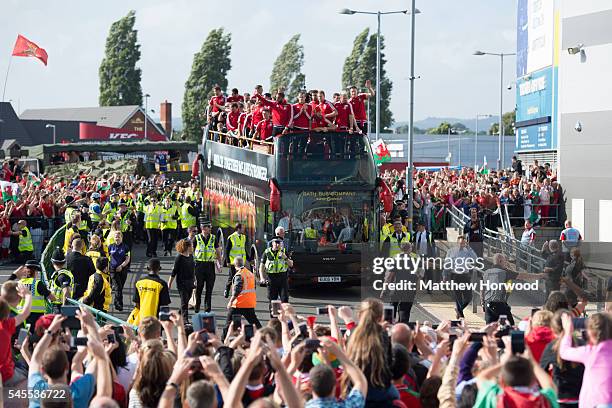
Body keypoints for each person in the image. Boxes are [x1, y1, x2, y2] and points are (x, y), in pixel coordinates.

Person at [559, 312, 612, 407]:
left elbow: (564, 352)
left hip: (593, 402)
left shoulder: (591, 352)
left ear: (590, 333)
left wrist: (568, 332)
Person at [0, 283, 32, 393]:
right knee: (30, 380)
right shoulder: (6, 324)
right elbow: (25, 313)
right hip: (7, 372)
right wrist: (28, 295)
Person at [9, 261, 56, 329]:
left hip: (21, 314)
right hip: (36, 316)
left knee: (23, 334)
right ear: (35, 271)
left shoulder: (19, 283)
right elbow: (52, 298)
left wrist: (13, 276)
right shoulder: (38, 283)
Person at [444, 236, 478, 318]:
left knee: (469, 296)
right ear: (457, 242)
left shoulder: (468, 251)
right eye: (460, 243)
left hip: (465, 275)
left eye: (463, 243)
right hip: (455, 275)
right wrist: (444, 275)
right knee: (458, 296)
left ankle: (459, 310)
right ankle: (461, 316)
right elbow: (447, 264)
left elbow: (475, 259)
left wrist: (469, 249)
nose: (461, 244)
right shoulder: (451, 251)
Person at [132, 258, 171, 326]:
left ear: (147, 268)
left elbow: (136, 303)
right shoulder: (162, 284)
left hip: (142, 320)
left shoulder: (139, 282)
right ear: (160, 268)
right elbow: (164, 305)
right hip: (156, 321)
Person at [226, 256, 262, 329]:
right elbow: (253, 287)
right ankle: (264, 336)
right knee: (255, 323)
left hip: (238, 304)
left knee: (229, 324)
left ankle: (224, 339)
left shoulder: (239, 275)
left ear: (235, 265)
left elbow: (237, 290)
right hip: (249, 303)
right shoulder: (250, 274)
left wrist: (230, 302)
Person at [193, 220, 221, 313]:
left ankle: (207, 309)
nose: (210, 229)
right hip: (199, 265)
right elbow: (191, 251)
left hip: (210, 265)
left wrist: (219, 264)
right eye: (209, 227)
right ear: (203, 228)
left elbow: (217, 252)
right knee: (199, 288)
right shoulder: (196, 238)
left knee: (209, 288)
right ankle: (197, 306)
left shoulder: (213, 238)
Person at [259, 237, 293, 308]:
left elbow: (291, 264)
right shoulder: (267, 252)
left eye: (279, 243)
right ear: (272, 243)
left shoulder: (284, 251)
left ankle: (284, 317)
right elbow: (261, 266)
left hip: (282, 278)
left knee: (285, 300)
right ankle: (274, 318)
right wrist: (262, 278)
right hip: (271, 278)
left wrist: (285, 257)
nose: (277, 245)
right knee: (272, 300)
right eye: (276, 243)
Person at [168, 239, 195, 323]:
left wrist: (195, 280)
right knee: (184, 301)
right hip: (182, 283)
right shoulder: (179, 258)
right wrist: (169, 284)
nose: (192, 247)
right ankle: (185, 320)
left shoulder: (191, 256)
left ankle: (178, 314)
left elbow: (193, 270)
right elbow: (174, 272)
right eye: (191, 245)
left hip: (190, 282)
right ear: (187, 247)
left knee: (187, 300)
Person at [224, 223, 249, 298]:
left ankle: (237, 293)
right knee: (231, 277)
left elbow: (244, 249)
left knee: (241, 278)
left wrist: (249, 259)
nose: (244, 229)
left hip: (241, 263)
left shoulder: (244, 237)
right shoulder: (231, 237)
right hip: (233, 262)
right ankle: (227, 289)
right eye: (242, 228)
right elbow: (227, 250)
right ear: (238, 229)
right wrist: (227, 261)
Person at [109, 231, 131, 311]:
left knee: (120, 287)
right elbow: (106, 257)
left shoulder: (126, 247)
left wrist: (122, 266)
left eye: (118, 237)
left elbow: (128, 258)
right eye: (115, 237)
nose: (117, 238)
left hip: (123, 269)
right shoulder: (110, 246)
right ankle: (119, 304)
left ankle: (116, 301)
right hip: (113, 269)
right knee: (118, 287)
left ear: (121, 237)